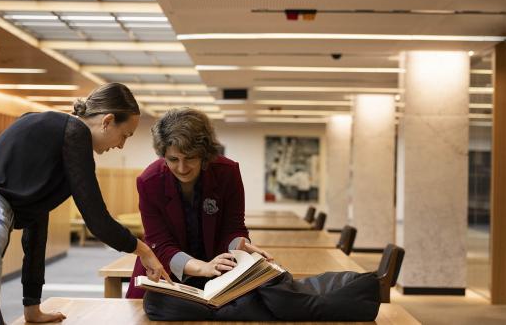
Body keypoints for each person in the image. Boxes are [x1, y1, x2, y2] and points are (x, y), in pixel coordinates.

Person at [0, 83, 171, 325]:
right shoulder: (75, 133)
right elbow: (97, 220)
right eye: (125, 135)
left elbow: (36, 225)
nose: (121, 145)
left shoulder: (51, 131)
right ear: (107, 121)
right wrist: (143, 250)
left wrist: (32, 305)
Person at [126, 108, 381, 321]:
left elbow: (233, 227)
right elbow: (161, 245)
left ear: (205, 154)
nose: (181, 168)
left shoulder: (226, 172)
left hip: (220, 278)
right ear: (163, 155)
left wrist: (243, 248)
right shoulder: (149, 181)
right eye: (173, 159)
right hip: (169, 277)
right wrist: (202, 267)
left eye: (190, 158)